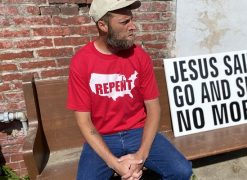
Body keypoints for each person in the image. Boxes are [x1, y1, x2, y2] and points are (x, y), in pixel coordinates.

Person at [66, 0, 193, 179]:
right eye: (125, 22)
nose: (133, 27)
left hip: (138, 131)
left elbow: (154, 108)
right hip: (103, 136)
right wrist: (114, 163)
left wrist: (141, 155)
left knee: (182, 171)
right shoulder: (82, 62)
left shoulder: (139, 56)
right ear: (103, 25)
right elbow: (84, 122)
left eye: (132, 20)